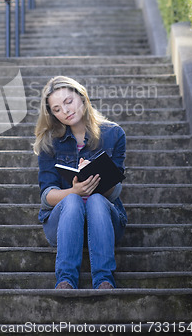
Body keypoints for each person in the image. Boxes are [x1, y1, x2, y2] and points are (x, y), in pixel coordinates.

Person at [33, 76, 127, 290]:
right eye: (56, 109)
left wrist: (95, 179)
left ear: (82, 97)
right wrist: (74, 190)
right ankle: (66, 280)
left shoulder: (114, 134)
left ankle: (104, 280)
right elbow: (47, 196)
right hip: (62, 223)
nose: (65, 111)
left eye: (68, 101)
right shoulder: (49, 142)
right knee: (74, 200)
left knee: (94, 199)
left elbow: (114, 191)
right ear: (52, 114)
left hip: (105, 221)